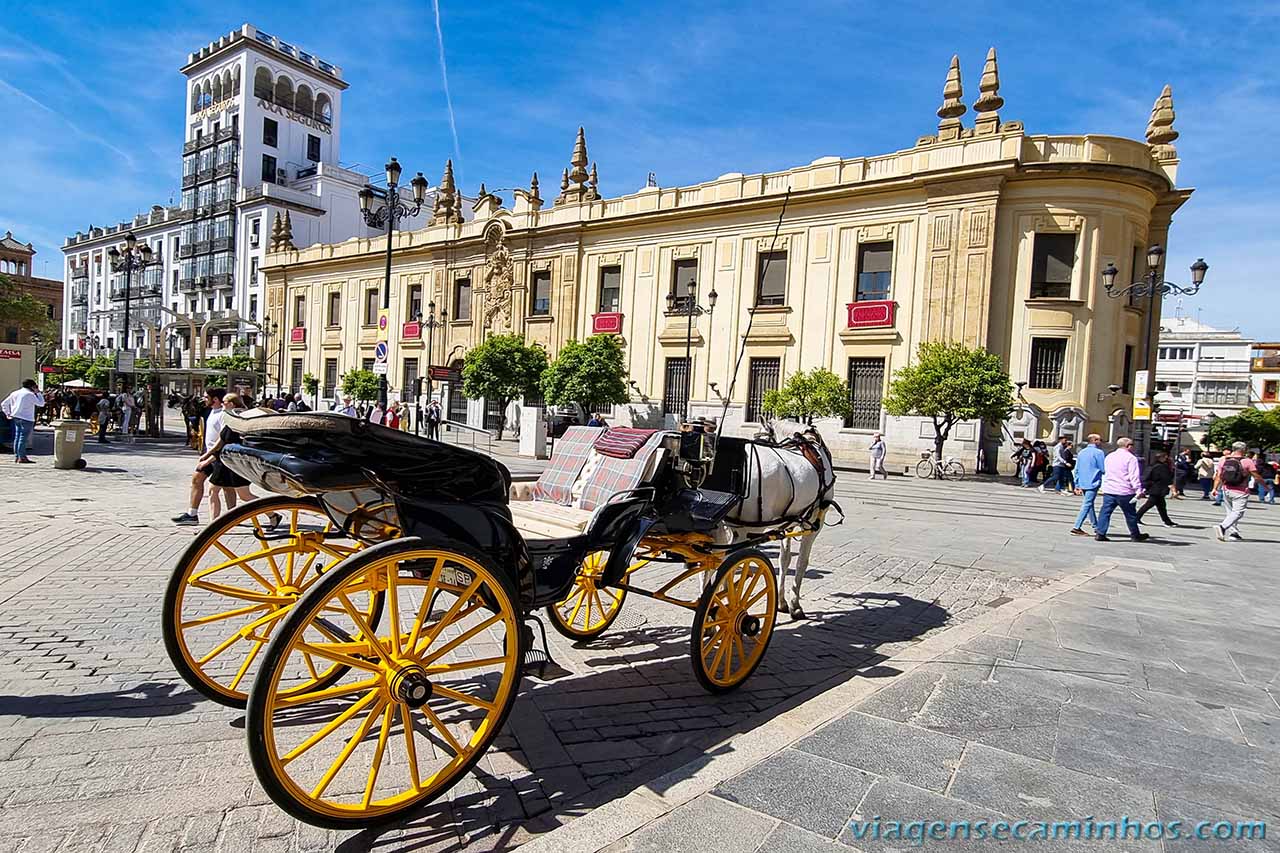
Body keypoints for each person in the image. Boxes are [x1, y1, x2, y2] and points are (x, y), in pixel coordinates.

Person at [172, 388, 226, 526]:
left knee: (234, 491)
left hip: (219, 456)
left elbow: (223, 439)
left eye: (206, 397)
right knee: (197, 479)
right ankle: (192, 514)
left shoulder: (224, 415)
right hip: (209, 454)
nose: (203, 399)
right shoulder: (209, 411)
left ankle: (269, 514)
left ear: (215, 399)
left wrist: (209, 455)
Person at [200, 393, 259, 518]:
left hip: (235, 462)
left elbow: (222, 443)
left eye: (225, 402)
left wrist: (207, 458)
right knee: (213, 490)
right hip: (228, 461)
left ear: (231, 404)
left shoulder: (236, 420)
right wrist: (208, 455)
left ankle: (271, 513)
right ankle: (213, 524)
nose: (222, 403)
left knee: (244, 495)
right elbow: (221, 442)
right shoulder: (233, 418)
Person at [1094, 437, 1149, 542]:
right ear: (1128, 446)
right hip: (1125, 491)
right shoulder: (1131, 458)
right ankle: (1135, 534)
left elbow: (1106, 472)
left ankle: (1100, 533)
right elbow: (1134, 476)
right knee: (1130, 514)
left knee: (1105, 512)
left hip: (1110, 490)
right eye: (1132, 444)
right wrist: (1138, 490)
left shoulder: (1110, 456)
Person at [1212, 441, 1265, 541]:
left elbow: (1218, 476)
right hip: (1240, 491)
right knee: (1238, 512)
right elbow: (1256, 476)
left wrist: (1214, 488)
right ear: (1243, 449)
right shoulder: (1247, 461)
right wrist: (1265, 486)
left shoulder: (1223, 460)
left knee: (1230, 512)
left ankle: (1233, 533)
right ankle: (1222, 527)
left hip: (1226, 489)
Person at [1069, 434, 1106, 536]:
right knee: (1087, 505)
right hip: (1093, 482)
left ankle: (1096, 526)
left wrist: (1077, 484)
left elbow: (1076, 469)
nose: (1101, 442)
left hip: (1082, 482)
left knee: (1089, 504)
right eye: (1100, 440)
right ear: (1094, 440)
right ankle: (1077, 527)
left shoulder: (1081, 452)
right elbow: (1103, 469)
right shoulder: (1099, 453)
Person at [1, 379, 45, 463]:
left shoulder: (15, 393)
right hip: (27, 418)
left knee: (17, 437)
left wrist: (8, 413)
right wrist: (38, 393)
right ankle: (22, 457)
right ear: (32, 386)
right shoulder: (30, 394)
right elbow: (41, 403)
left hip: (16, 417)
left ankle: (17, 456)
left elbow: (4, 403)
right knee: (23, 438)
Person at [1136, 450, 1177, 527]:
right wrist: (1173, 489)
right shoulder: (1161, 467)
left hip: (1154, 488)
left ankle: (1167, 521)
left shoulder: (1153, 465)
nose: (1166, 458)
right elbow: (1166, 479)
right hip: (1158, 489)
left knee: (1161, 506)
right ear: (1161, 458)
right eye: (1165, 457)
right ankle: (1136, 518)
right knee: (1149, 505)